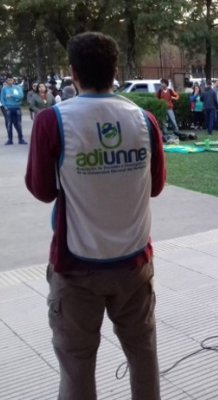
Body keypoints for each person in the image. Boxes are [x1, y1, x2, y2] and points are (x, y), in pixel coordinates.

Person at [24, 31, 165, 400]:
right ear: (114, 71)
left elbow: (42, 191)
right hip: (134, 265)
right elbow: (155, 187)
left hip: (76, 269)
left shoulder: (52, 120)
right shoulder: (144, 120)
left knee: (76, 365)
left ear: (73, 72)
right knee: (143, 355)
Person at [1, 76, 26, 145]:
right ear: (6, 81)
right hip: (8, 108)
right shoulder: (4, 89)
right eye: (8, 80)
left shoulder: (17, 87)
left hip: (17, 107)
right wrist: (5, 106)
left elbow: (21, 96)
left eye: (11, 80)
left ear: (13, 80)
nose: (10, 81)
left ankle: (20, 139)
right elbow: (2, 99)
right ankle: (10, 139)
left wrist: (12, 95)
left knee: (18, 124)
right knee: (9, 124)